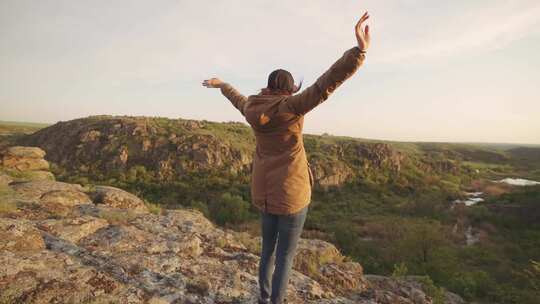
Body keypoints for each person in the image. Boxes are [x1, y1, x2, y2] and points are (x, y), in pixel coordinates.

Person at [202, 11, 371, 304]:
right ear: (289, 88)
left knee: (267, 250)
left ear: (268, 86)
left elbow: (237, 98)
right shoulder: (291, 106)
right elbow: (325, 84)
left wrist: (222, 84)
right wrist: (360, 51)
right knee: (285, 256)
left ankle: (264, 299)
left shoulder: (252, 108)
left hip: (265, 193)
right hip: (292, 194)